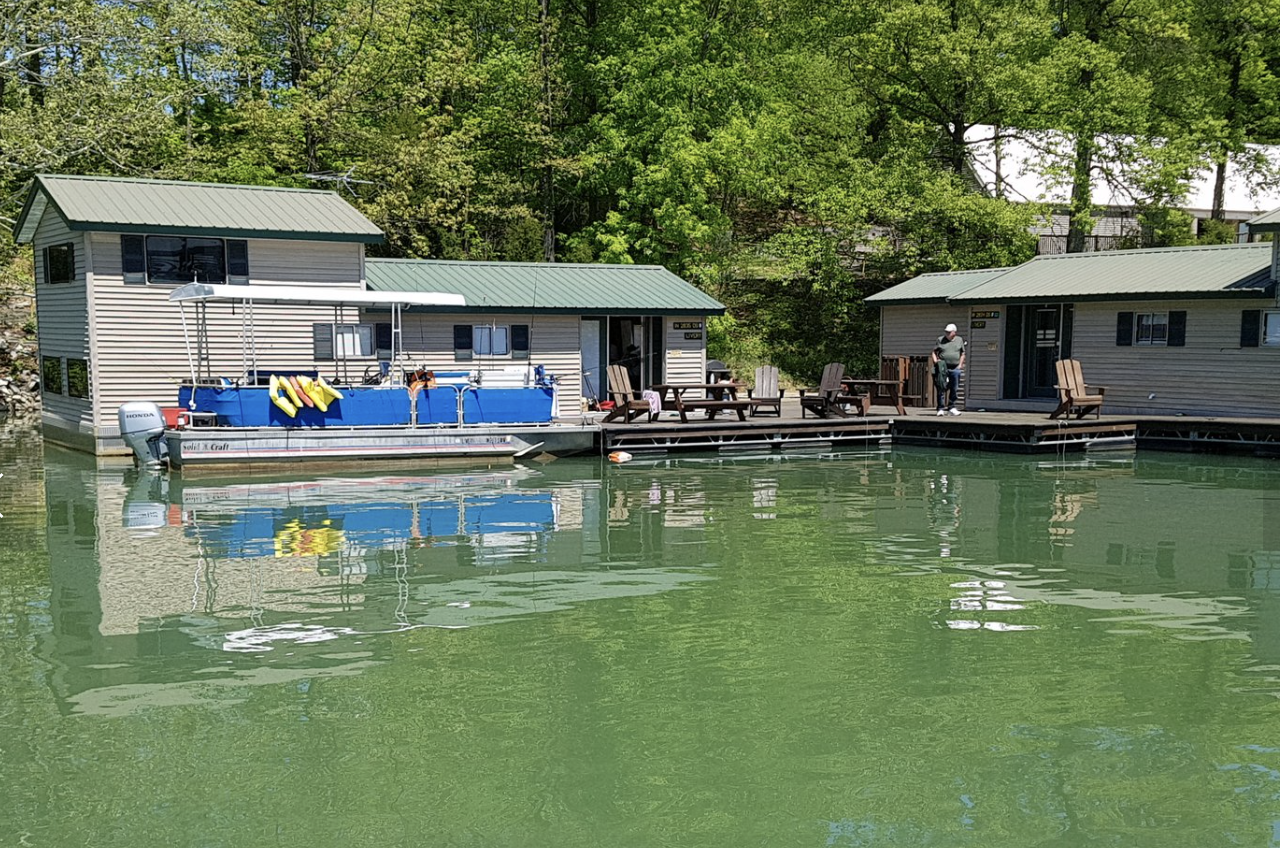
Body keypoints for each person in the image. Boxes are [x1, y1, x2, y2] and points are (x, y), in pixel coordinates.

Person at [931, 322, 965, 416]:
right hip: (942, 367)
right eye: (946, 332)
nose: (947, 334)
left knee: (954, 387)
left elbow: (962, 353)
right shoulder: (940, 340)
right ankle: (940, 408)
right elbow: (934, 352)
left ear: (954, 332)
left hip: (955, 368)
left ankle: (951, 407)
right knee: (941, 387)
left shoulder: (959, 340)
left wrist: (960, 364)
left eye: (949, 332)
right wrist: (935, 362)